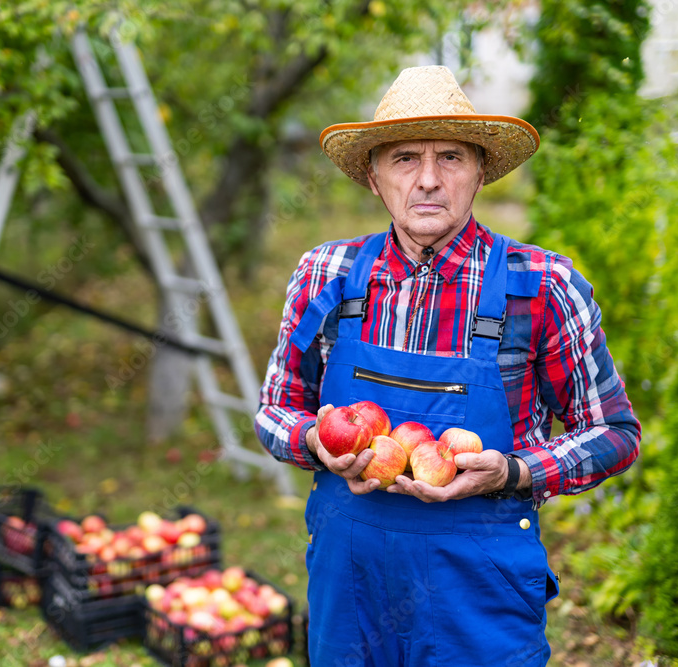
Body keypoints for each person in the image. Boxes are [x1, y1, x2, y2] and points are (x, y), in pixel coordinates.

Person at [255, 66, 641, 666]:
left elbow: (615, 433)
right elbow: (276, 409)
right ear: (375, 178)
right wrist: (313, 439)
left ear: (481, 170)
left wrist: (512, 471)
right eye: (406, 159)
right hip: (349, 585)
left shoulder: (540, 286)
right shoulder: (324, 277)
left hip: (478, 593)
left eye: (452, 157)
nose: (429, 180)